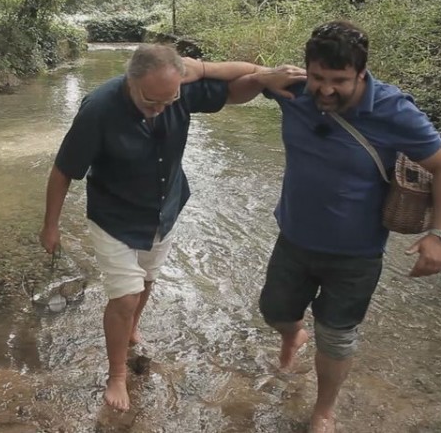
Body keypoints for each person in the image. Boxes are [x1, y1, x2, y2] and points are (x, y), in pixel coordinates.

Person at [39, 43, 306, 411]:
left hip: (163, 209)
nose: (161, 108)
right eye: (151, 102)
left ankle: (132, 329)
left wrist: (263, 78)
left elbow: (233, 89)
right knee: (125, 295)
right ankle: (116, 374)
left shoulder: (173, 90)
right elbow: (64, 170)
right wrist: (50, 226)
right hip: (114, 215)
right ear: (131, 82)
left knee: (146, 281)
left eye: (170, 100)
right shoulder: (99, 109)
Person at [257, 21, 441, 433]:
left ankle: (324, 411)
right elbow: (236, 77)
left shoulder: (393, 109)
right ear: (307, 70)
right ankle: (291, 336)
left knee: (336, 335)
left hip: (357, 252)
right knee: (275, 311)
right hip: (294, 238)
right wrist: (261, 76)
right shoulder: (293, 90)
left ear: (361, 74)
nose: (326, 89)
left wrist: (440, 235)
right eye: (318, 77)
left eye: (340, 80)